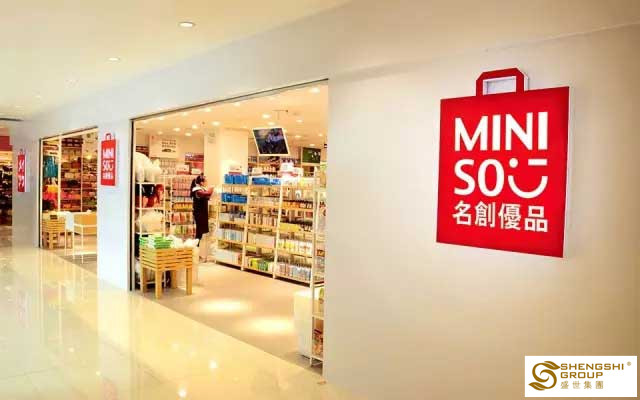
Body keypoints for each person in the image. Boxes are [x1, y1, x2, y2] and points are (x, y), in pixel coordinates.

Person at [190, 174, 213, 242]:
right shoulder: (197, 190)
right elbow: (207, 194)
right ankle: (197, 244)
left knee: (201, 231)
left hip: (202, 213)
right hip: (199, 214)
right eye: (206, 181)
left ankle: (199, 244)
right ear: (201, 182)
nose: (207, 182)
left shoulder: (202, 189)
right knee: (199, 231)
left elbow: (207, 196)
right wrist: (211, 188)